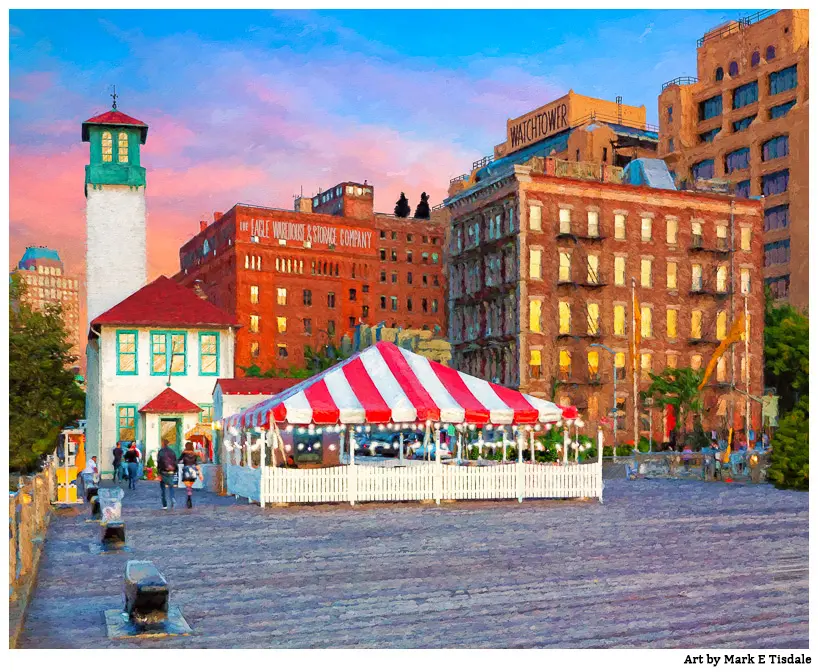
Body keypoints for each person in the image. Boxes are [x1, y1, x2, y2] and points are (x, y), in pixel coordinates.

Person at [178, 441, 202, 509]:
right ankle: (189, 495)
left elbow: (179, 460)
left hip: (186, 469)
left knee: (188, 486)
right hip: (193, 470)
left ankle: (189, 496)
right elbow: (196, 463)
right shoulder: (195, 454)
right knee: (190, 485)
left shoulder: (184, 453)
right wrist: (200, 473)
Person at [157, 439, 178, 510]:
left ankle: (164, 504)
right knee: (171, 487)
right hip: (171, 471)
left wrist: (158, 472)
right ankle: (172, 498)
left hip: (163, 471)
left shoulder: (161, 452)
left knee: (163, 489)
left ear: (162, 444)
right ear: (168, 444)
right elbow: (175, 461)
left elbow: (159, 462)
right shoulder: (172, 452)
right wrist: (175, 470)